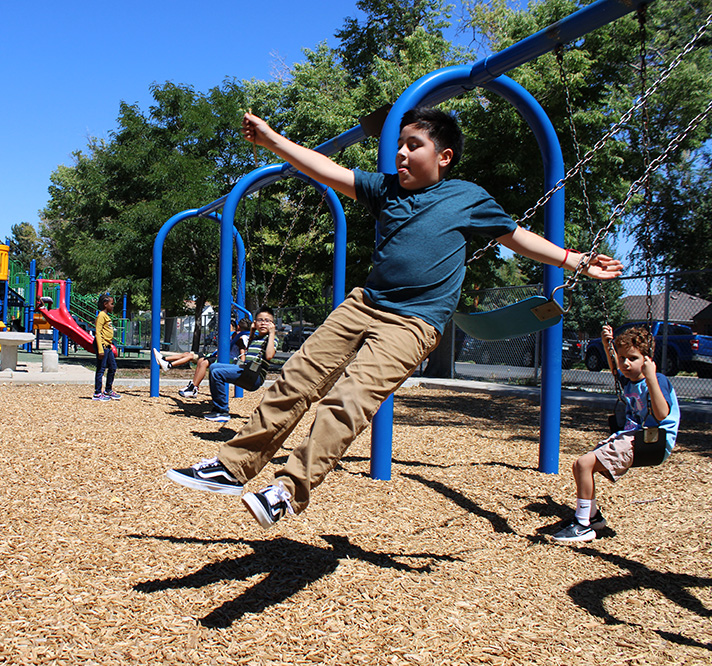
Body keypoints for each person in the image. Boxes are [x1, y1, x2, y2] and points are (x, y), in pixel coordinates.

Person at [166, 107, 623, 529]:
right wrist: (273, 141)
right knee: (295, 379)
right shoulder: (385, 189)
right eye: (400, 144)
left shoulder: (467, 198)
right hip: (364, 304)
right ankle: (232, 467)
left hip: (414, 324)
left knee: (348, 400)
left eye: (412, 145)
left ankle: (286, 491)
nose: (401, 153)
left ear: (443, 156)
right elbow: (326, 169)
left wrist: (574, 259)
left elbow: (517, 238)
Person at [551, 325, 679, 543]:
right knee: (579, 466)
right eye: (622, 358)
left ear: (647, 360)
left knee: (584, 464)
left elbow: (661, 414)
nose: (625, 364)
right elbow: (613, 368)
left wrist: (651, 378)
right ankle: (593, 517)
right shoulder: (627, 379)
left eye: (632, 358)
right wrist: (605, 344)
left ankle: (583, 525)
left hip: (652, 441)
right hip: (631, 438)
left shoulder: (658, 380)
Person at [203, 307, 276, 422]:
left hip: (254, 377)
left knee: (217, 373)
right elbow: (249, 347)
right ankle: (218, 408)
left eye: (267, 321)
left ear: (272, 324)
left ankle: (222, 411)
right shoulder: (257, 337)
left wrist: (272, 333)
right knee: (213, 367)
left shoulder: (271, 339)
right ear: (255, 323)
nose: (263, 323)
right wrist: (252, 331)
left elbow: (269, 356)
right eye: (260, 320)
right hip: (245, 370)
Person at [152, 318, 252, 398]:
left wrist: (241, 365)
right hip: (217, 356)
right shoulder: (239, 336)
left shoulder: (239, 337)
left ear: (237, 327)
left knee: (201, 361)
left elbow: (242, 351)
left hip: (226, 359)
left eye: (227, 326)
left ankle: (191, 385)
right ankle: (165, 361)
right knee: (190, 355)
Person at [93, 293, 120, 401]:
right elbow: (98, 333)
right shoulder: (101, 316)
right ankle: (97, 393)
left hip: (108, 346)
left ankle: (108, 390)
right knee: (101, 369)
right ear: (105, 304)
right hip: (102, 346)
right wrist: (100, 349)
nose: (112, 306)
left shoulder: (106, 316)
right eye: (111, 304)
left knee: (113, 367)